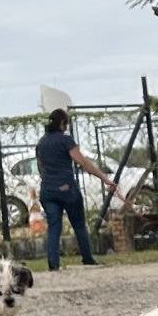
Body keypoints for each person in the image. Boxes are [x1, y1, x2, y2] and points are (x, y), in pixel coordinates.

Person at [34, 110, 124, 271]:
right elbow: (83, 162)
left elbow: (40, 166)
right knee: (79, 225)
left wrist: (48, 180)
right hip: (67, 189)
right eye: (66, 123)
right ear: (62, 123)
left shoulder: (41, 143)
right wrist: (105, 179)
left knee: (54, 227)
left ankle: (53, 264)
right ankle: (87, 258)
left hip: (47, 190)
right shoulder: (66, 140)